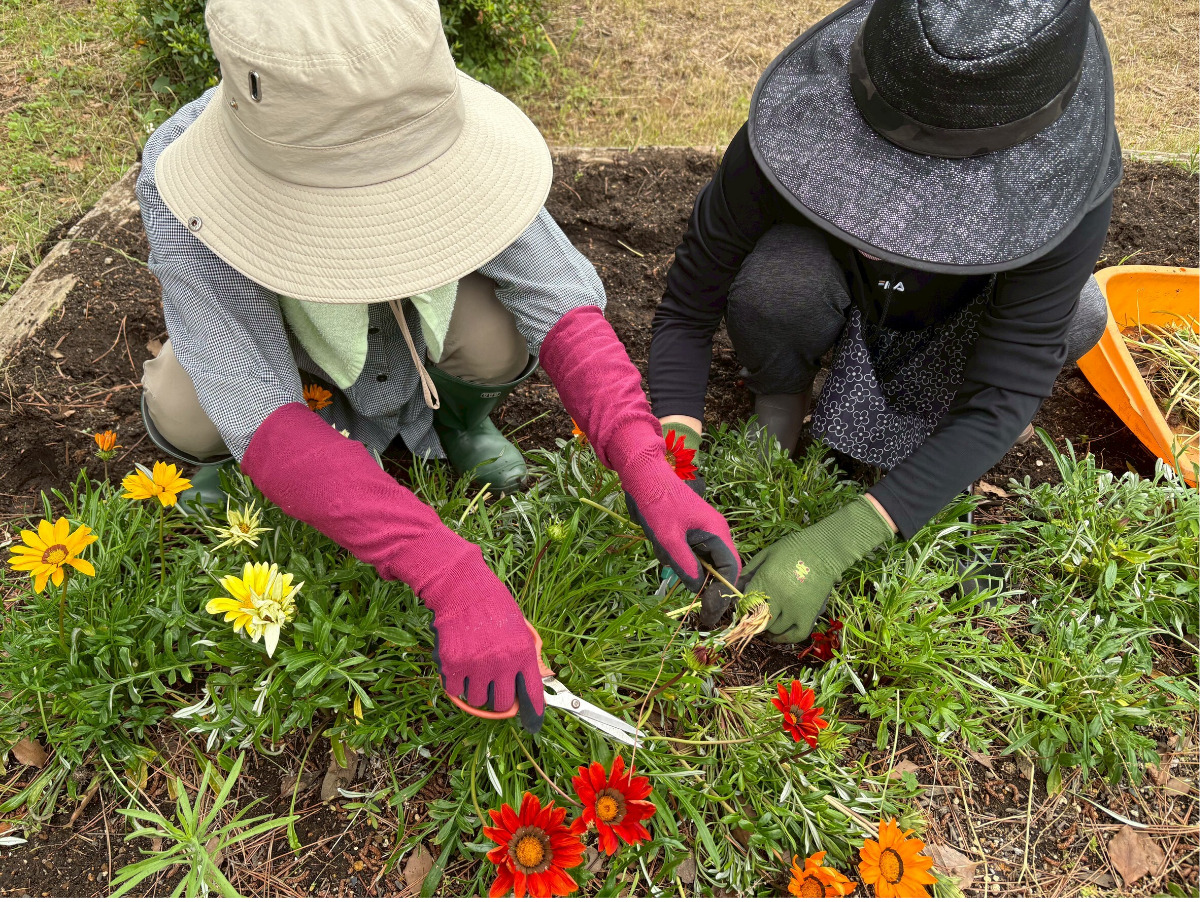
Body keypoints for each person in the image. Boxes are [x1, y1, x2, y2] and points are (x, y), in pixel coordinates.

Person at [135, 0, 740, 732]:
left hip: (410, 330)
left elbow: (557, 300)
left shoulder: (427, 112)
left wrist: (645, 462)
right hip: (289, 353)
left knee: (495, 337)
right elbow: (257, 402)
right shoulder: (182, 177)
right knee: (191, 406)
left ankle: (455, 422)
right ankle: (270, 467)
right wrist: (447, 571)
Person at [649, 0, 1118, 642]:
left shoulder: (1062, 187)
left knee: (1080, 313)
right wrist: (669, 468)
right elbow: (688, 304)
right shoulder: (798, 123)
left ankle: (929, 444)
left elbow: (1007, 388)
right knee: (778, 280)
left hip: (955, 322)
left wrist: (844, 538)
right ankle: (781, 401)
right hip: (836, 290)